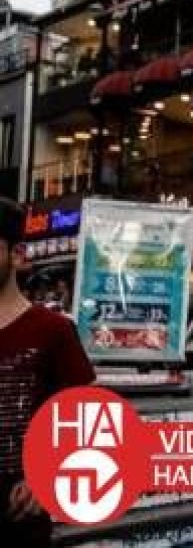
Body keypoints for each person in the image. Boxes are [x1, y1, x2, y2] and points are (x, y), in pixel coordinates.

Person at [0, 197, 96, 546]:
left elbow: (88, 413)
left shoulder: (53, 330)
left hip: (18, 522)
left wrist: (46, 475)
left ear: (17, 254)